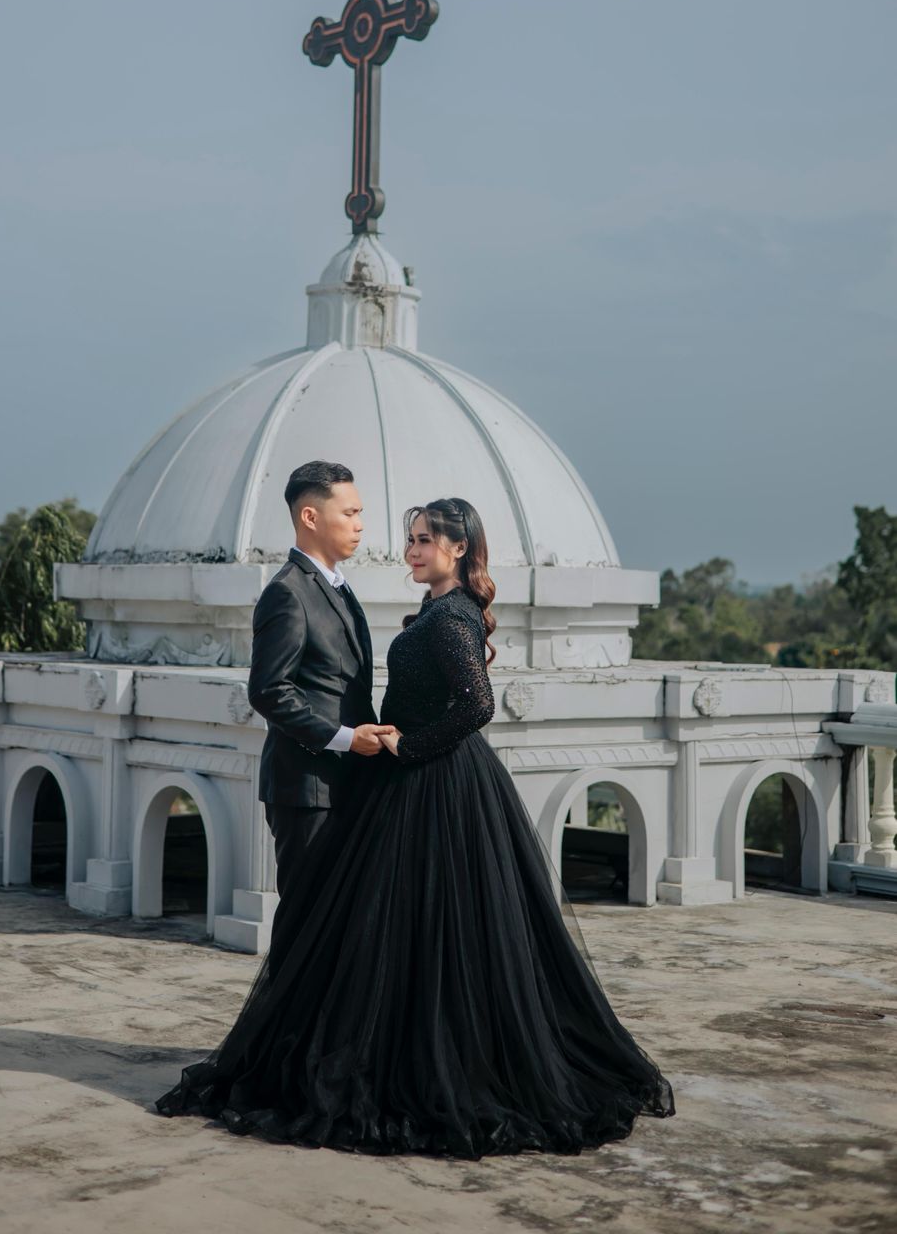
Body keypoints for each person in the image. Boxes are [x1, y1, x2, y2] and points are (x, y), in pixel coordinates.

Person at [155, 497, 675, 1157]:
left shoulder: (451, 616)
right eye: (411, 539)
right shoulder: (435, 610)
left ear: (459, 548)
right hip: (412, 781)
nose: (412, 550)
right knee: (401, 928)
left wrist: (409, 746)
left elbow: (477, 704)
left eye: (426, 540)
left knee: (430, 926)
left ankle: (428, 1059)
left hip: (436, 782)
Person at [247, 460, 392, 900]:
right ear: (310, 517)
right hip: (308, 790)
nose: (360, 525)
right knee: (306, 916)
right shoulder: (287, 592)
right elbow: (269, 690)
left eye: (360, 513)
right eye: (349, 513)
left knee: (338, 920)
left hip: (348, 783)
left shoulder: (337, 587)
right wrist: (345, 738)